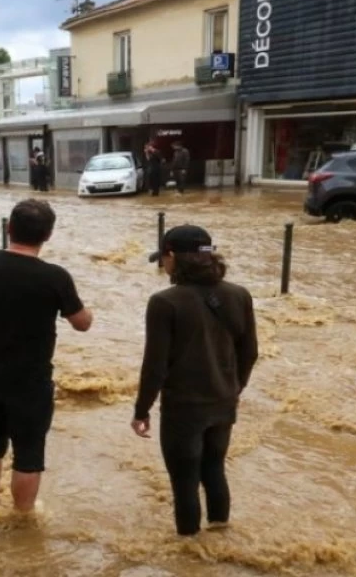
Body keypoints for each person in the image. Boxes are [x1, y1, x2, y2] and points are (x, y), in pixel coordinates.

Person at [0, 199, 93, 512]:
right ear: (48, 235)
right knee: (28, 452)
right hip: (30, 379)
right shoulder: (55, 277)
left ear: (10, 228)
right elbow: (82, 324)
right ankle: (22, 521)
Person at [132, 225, 258, 537]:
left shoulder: (164, 302)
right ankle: (219, 536)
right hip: (223, 403)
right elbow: (250, 352)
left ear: (172, 256)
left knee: (184, 481)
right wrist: (234, 388)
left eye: (163, 258)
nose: (164, 265)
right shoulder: (239, 295)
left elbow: (155, 366)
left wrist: (141, 410)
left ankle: (189, 551)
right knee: (214, 469)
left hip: (184, 409)